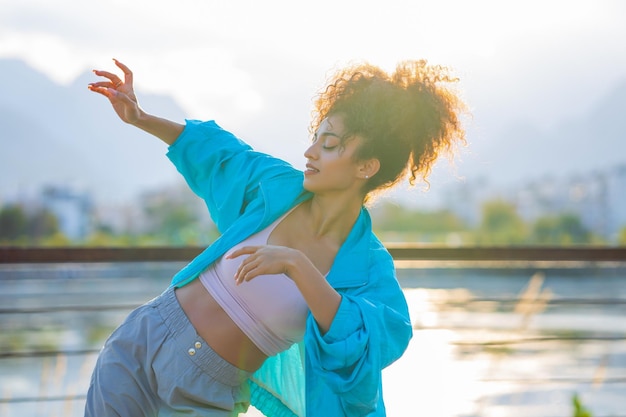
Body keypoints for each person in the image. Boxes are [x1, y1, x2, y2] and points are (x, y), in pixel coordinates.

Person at [85, 57, 466, 417]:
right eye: (316, 138)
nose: (310, 152)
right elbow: (221, 155)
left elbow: (371, 342)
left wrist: (298, 266)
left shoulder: (368, 267)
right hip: (141, 339)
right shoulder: (278, 187)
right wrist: (140, 118)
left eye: (330, 144)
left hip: (206, 391)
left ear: (367, 166)